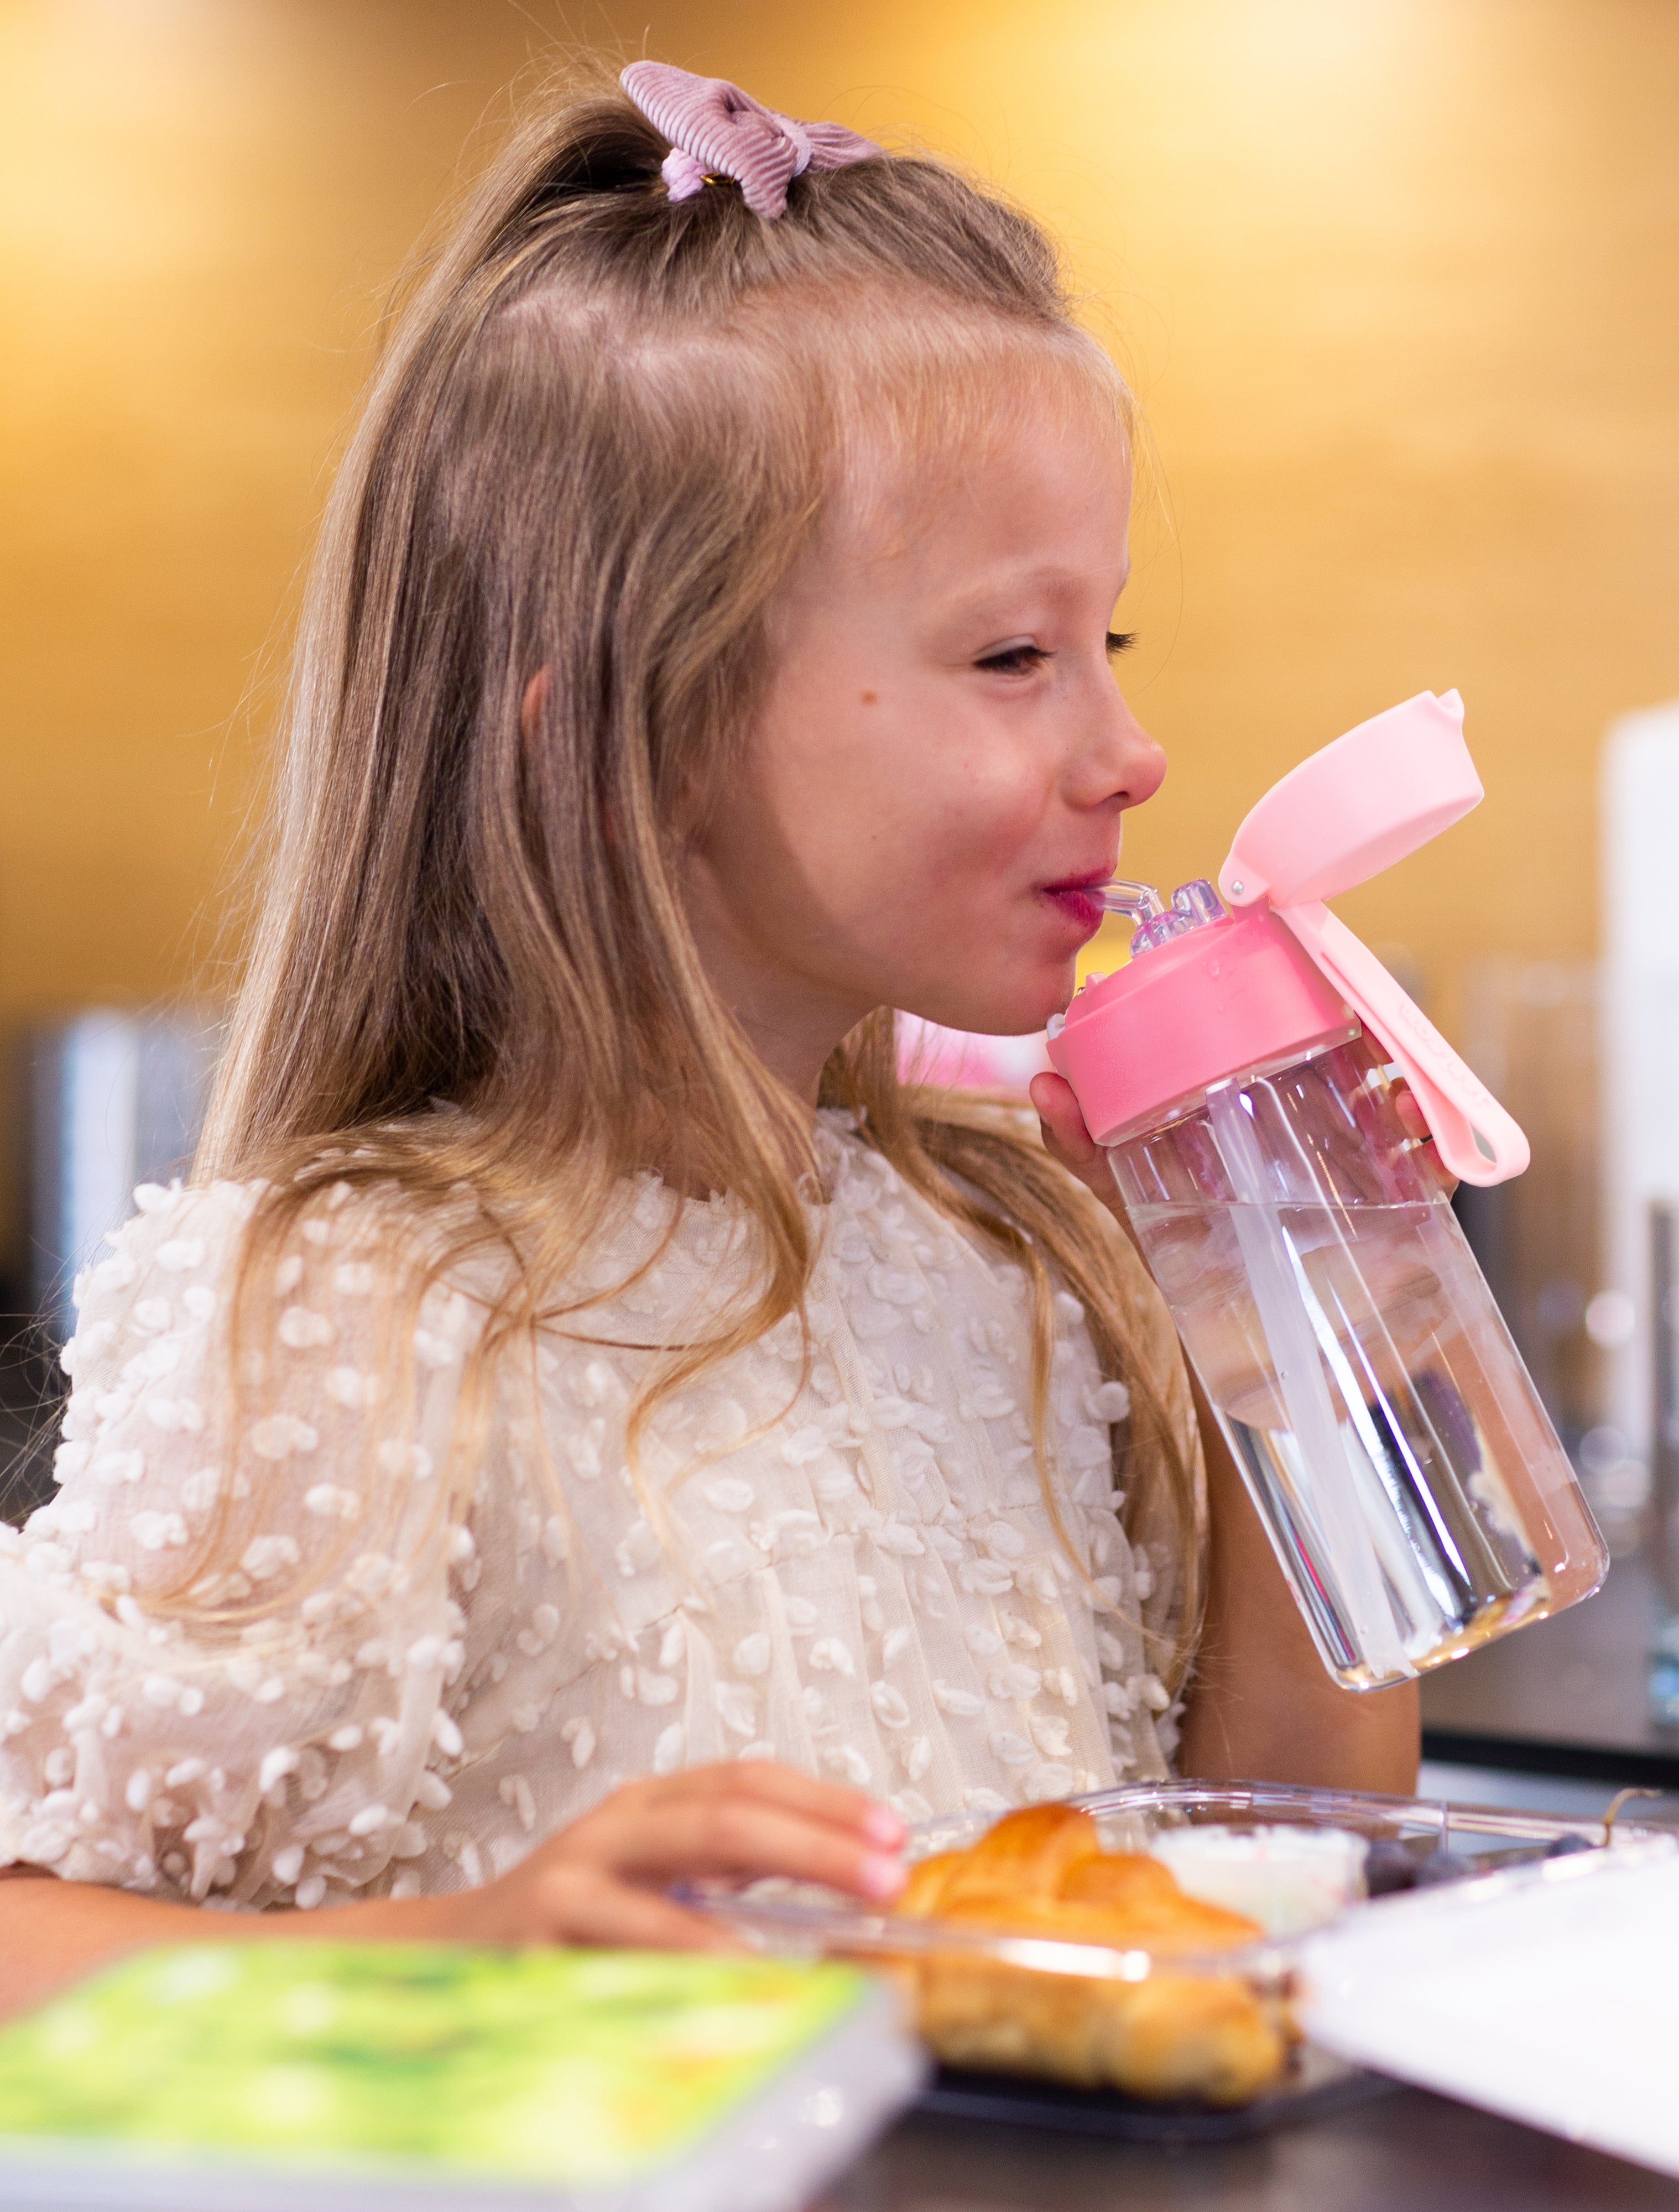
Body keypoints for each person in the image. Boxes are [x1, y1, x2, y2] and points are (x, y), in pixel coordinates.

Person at [0, 60, 1417, 2018]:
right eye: (1014, 656)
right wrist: (456, 1962)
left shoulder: (1013, 1274)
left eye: (1115, 647)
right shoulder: (355, 1309)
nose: (1128, 752)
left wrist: (1279, 1322)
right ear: (631, 744)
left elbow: (1287, 1870)